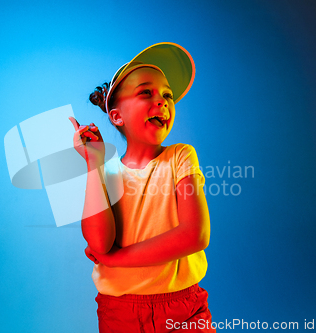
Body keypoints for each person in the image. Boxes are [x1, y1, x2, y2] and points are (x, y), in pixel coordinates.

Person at [69, 43, 215, 333]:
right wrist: (93, 164)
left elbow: (195, 235)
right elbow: (99, 244)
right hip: (120, 311)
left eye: (167, 95)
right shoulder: (106, 172)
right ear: (117, 116)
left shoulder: (181, 156)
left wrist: (115, 258)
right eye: (145, 92)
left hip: (183, 308)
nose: (161, 101)